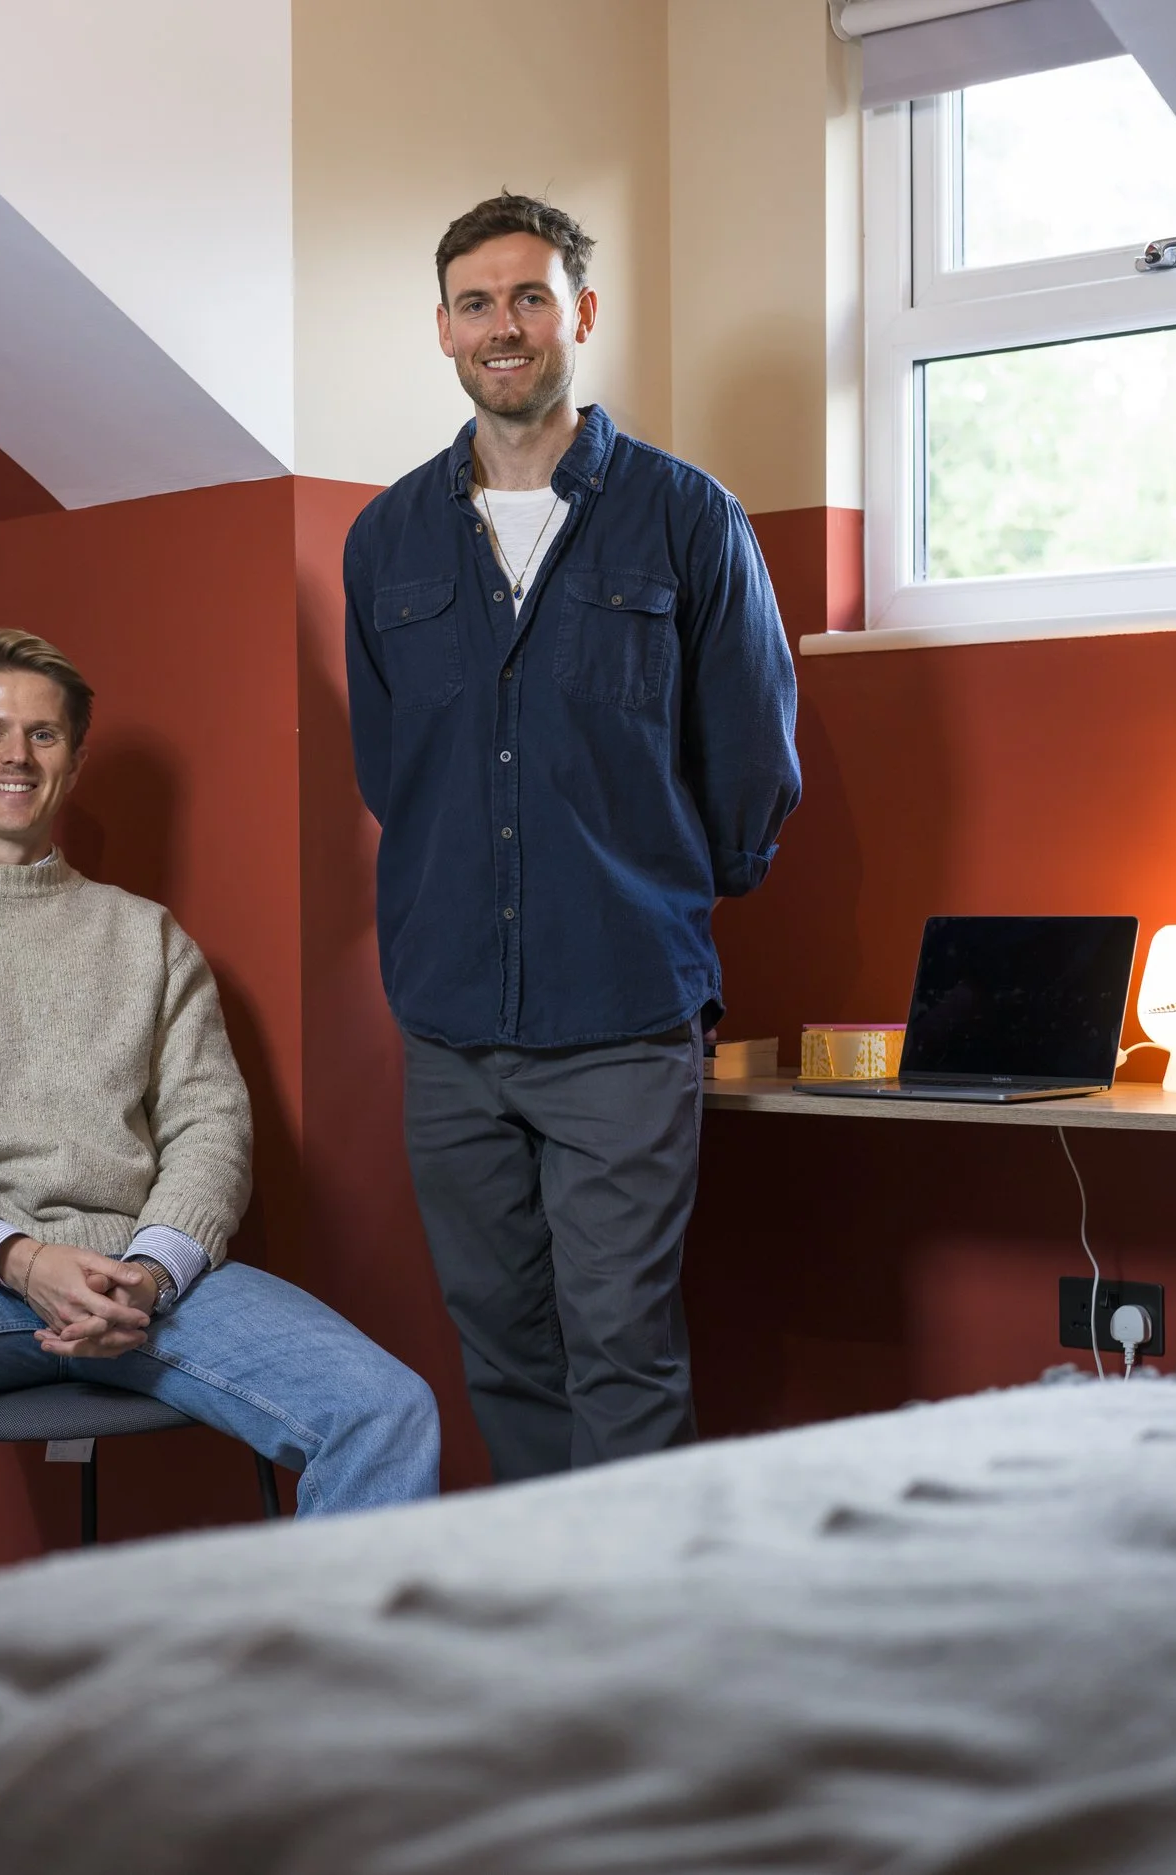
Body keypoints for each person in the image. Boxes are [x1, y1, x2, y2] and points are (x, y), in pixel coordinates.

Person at [0, 629, 440, 1600]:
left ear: (71, 759)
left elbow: (211, 1130)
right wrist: (23, 1261)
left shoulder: (144, 937)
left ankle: (324, 1698)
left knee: (386, 1407)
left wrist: (151, 1274)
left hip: (141, 1281)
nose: (15, 757)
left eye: (42, 735)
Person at [343, 193, 801, 1482]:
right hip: (449, 1027)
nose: (506, 326)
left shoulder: (687, 518)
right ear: (442, 329)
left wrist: (641, 895)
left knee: (621, 1344)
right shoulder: (384, 541)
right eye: (478, 302)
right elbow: (398, 772)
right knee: (501, 1343)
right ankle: (559, 1625)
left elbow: (751, 759)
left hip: (621, 1019)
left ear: (579, 315)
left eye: (531, 297)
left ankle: (643, 1644)